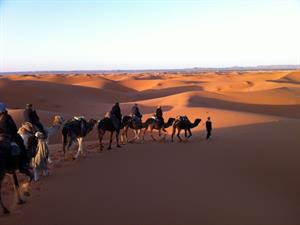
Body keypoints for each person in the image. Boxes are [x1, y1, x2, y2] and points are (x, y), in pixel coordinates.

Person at [0, 103, 29, 170]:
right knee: (21, 145)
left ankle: (23, 163)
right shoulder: (7, 117)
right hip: (8, 136)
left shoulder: (6, 118)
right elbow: (14, 128)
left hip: (7, 136)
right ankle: (24, 163)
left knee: (20, 145)